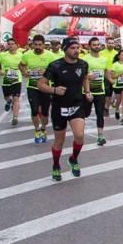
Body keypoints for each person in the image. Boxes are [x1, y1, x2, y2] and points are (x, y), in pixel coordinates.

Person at [38, 39, 93, 181]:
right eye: (73, 48)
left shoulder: (83, 64)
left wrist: (87, 91)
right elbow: (40, 84)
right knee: (59, 140)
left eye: (78, 47)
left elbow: (85, 77)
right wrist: (54, 90)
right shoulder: (55, 65)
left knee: (79, 136)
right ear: (65, 49)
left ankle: (73, 159)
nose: (76, 50)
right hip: (59, 107)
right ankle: (56, 165)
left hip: (77, 105)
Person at [20, 35, 55, 143]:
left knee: (44, 112)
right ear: (32, 44)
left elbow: (55, 70)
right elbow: (21, 65)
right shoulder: (27, 55)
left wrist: (45, 72)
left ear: (44, 45)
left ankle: (43, 129)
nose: (38, 46)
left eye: (40, 45)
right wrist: (25, 72)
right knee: (34, 110)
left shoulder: (50, 56)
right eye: (36, 44)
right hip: (32, 86)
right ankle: (37, 130)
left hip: (45, 87)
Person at [82, 38, 111, 146]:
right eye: (94, 45)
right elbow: (81, 75)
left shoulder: (104, 59)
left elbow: (107, 73)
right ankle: (80, 131)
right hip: (87, 91)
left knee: (100, 113)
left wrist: (113, 80)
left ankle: (100, 136)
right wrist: (87, 76)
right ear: (89, 46)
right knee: (86, 113)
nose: (97, 46)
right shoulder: (85, 59)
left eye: (98, 44)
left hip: (100, 91)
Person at [0, 38, 24, 126]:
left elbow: (25, 64)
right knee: (6, 97)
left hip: (17, 78)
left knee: (16, 98)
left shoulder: (21, 55)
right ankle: (8, 101)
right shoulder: (2, 55)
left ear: (16, 45)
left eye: (12, 44)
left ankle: (15, 117)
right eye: (9, 44)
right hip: (6, 78)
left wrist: (25, 71)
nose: (10, 46)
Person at [108, 51, 123, 125]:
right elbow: (112, 76)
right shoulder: (115, 64)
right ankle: (116, 109)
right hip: (118, 85)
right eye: (122, 55)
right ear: (119, 56)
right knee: (118, 101)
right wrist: (120, 74)